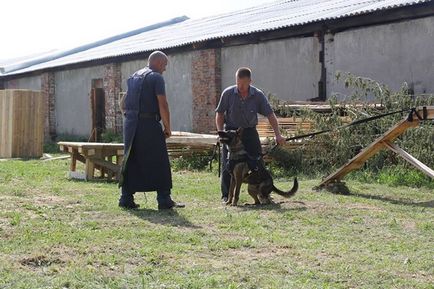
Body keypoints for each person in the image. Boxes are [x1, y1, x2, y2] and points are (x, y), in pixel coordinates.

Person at [118, 51, 185, 210]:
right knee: (159, 160)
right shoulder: (156, 77)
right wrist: (168, 127)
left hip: (131, 124)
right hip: (148, 124)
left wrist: (129, 117)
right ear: (159, 63)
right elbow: (163, 104)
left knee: (131, 159)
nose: (165, 69)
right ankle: (164, 199)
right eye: (165, 65)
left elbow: (123, 101)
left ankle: (126, 198)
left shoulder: (134, 76)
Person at [215, 67, 285, 203]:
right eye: (238, 83)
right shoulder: (228, 93)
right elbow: (219, 114)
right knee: (228, 165)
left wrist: (278, 135)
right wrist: (219, 133)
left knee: (258, 163)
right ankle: (226, 196)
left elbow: (270, 115)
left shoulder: (257, 95)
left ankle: (263, 193)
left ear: (250, 81)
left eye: (243, 84)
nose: (240, 87)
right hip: (232, 134)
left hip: (249, 132)